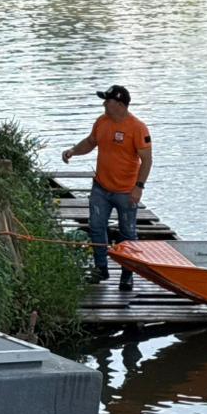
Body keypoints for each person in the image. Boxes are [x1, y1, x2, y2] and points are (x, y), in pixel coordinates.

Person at [61, 85, 152, 290]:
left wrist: (139, 187)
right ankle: (100, 268)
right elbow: (91, 142)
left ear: (119, 104)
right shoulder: (102, 122)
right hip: (101, 188)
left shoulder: (137, 128)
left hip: (126, 191)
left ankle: (127, 274)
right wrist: (73, 150)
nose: (104, 104)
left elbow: (147, 160)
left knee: (128, 233)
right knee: (96, 226)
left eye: (107, 101)